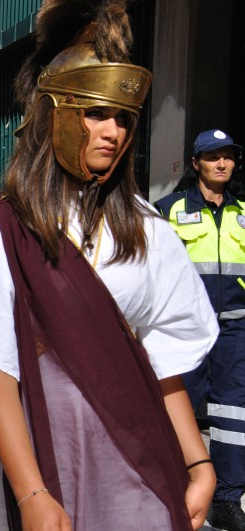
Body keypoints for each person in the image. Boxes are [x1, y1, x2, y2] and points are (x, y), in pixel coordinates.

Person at [0, 1, 218, 529]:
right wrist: (31, 495)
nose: (113, 132)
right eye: (96, 114)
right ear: (55, 115)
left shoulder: (150, 233)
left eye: (124, 118)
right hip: (27, 465)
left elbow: (161, 362)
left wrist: (198, 462)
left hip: (129, 459)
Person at [155, 129, 245, 530]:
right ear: (196, 164)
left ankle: (227, 498)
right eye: (213, 157)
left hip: (235, 331)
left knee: (233, 413)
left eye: (227, 157)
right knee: (179, 408)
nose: (221, 163)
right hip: (185, 330)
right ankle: (174, 487)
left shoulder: (244, 211)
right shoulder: (167, 209)